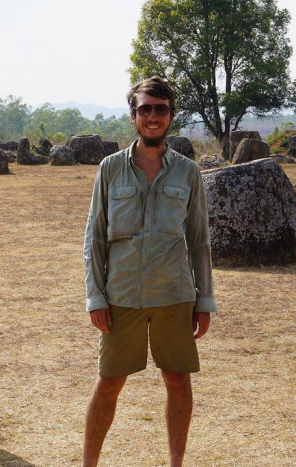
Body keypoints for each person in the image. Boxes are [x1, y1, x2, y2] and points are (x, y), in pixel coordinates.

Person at [82, 76, 217, 467]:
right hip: (121, 295)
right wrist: (96, 296)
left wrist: (204, 300)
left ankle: (176, 463)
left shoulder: (188, 172)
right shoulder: (109, 170)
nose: (152, 116)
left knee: (177, 380)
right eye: (145, 109)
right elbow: (95, 238)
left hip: (175, 295)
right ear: (133, 115)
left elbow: (199, 241)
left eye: (160, 109)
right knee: (108, 384)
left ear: (171, 115)